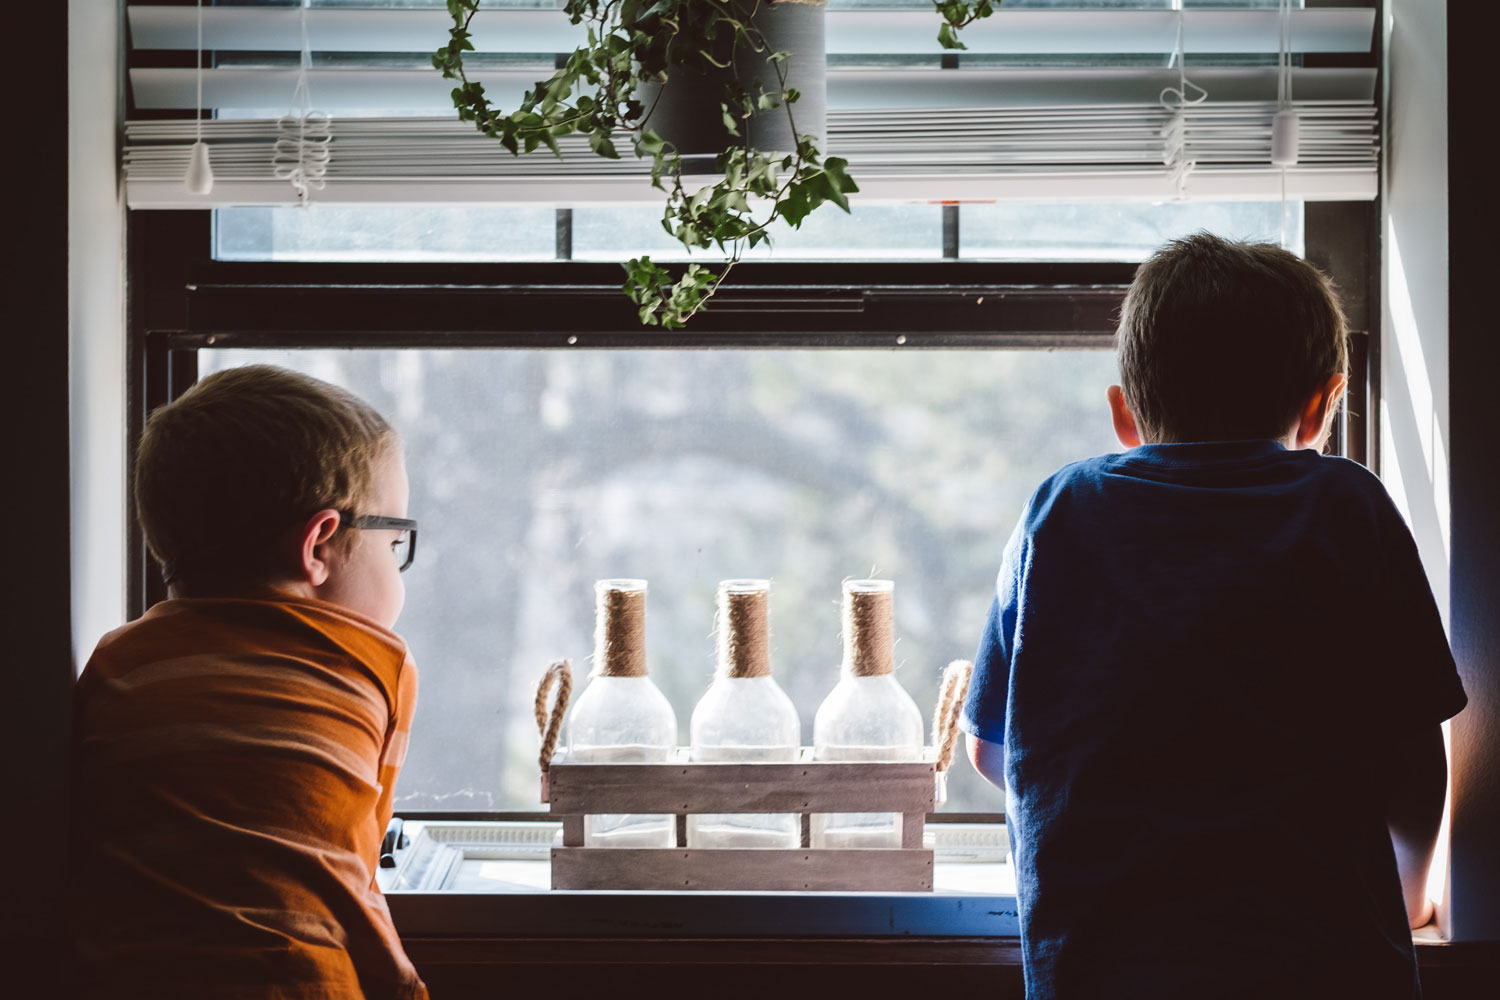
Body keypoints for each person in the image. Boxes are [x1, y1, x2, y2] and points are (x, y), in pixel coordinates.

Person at [960, 233, 1467, 999]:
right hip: (1327, 962)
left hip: (1102, 966)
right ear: (1323, 405)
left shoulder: (1060, 510)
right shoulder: (1346, 504)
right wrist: (1414, 892)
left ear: (1124, 415)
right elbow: (1412, 755)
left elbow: (993, 753)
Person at [70, 365, 429, 999]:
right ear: (319, 544)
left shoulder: (115, 663)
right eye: (395, 538)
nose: (398, 565)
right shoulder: (373, 663)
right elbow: (353, 876)